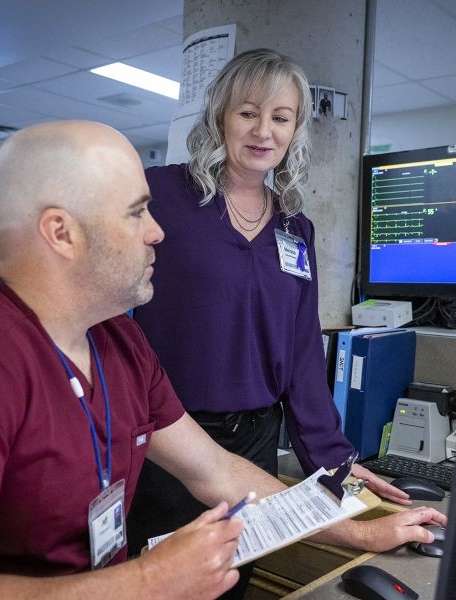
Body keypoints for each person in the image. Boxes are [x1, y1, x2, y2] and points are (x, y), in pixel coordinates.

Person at [0, 120, 446, 599]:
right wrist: (149, 581)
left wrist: (356, 530)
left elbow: (217, 470)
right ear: (62, 233)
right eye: (138, 212)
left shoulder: (118, 342)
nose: (158, 232)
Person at [129, 49, 414, 594]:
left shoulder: (295, 227)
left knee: (233, 581)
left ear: (296, 130)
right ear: (219, 117)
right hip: (170, 440)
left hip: (255, 441)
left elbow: (302, 353)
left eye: (281, 117)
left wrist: (334, 460)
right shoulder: (159, 194)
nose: (264, 131)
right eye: (248, 113)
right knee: (165, 586)